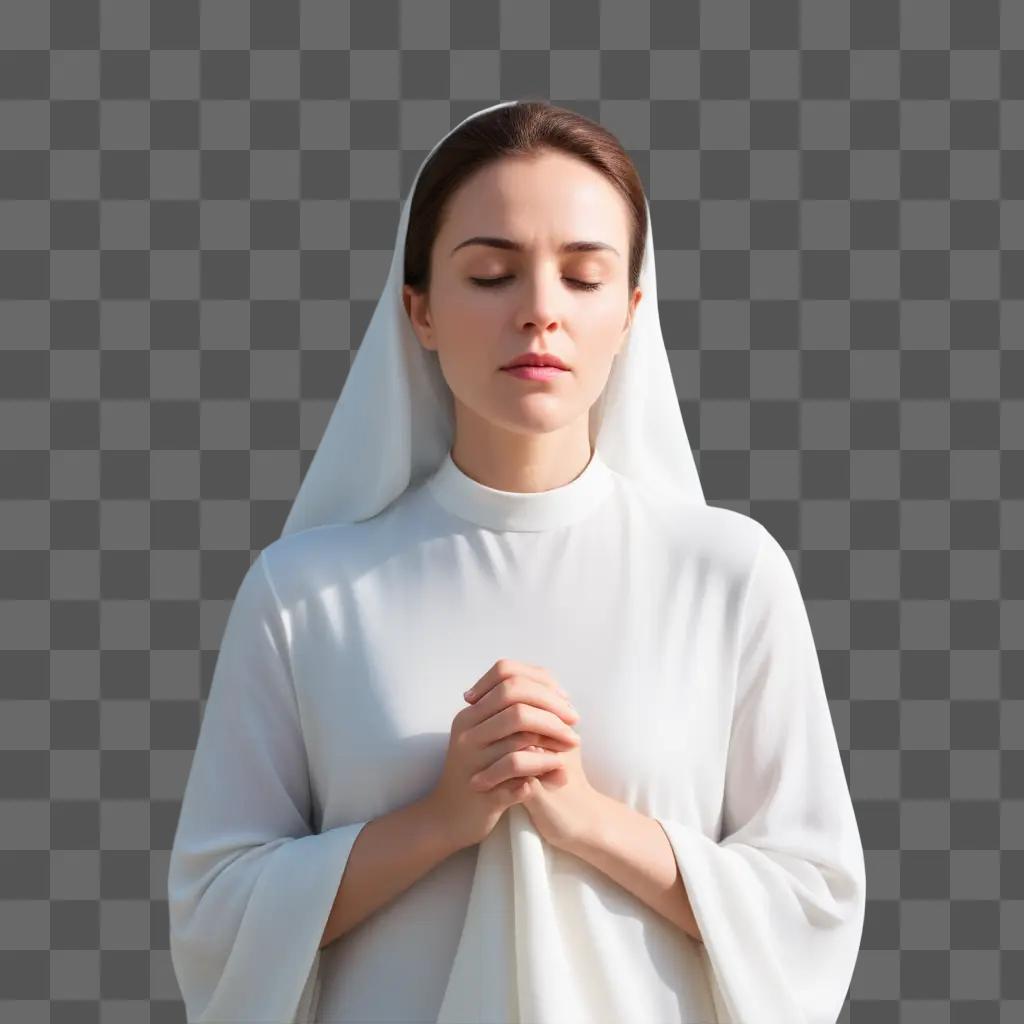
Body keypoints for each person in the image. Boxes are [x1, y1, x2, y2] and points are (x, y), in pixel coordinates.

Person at [166, 99, 866, 1023]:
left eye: (583, 277)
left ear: (631, 312)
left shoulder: (728, 574)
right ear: (417, 308)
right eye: (492, 274)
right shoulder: (304, 594)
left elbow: (814, 902)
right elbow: (214, 908)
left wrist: (587, 820)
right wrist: (439, 822)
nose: (540, 312)